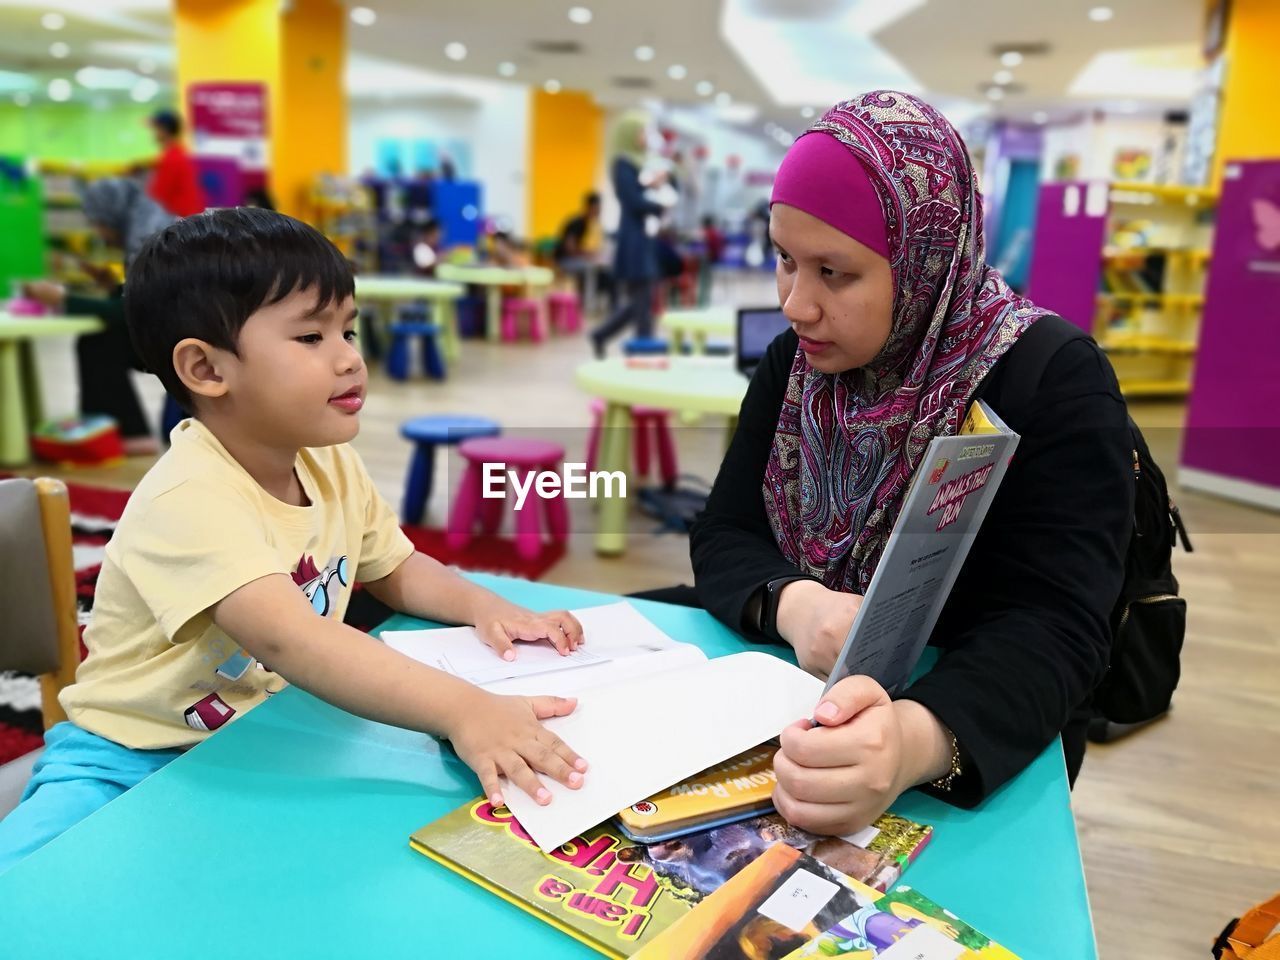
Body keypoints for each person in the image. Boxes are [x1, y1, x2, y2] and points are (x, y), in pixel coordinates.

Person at [0, 208, 590, 874]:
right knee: (29, 884)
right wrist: (465, 710)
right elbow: (294, 641)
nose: (349, 358)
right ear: (205, 368)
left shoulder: (326, 459)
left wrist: (484, 606)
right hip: (128, 758)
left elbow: (395, 567)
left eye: (349, 328)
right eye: (311, 336)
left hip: (270, 736)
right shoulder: (188, 496)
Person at [688, 91, 1132, 835]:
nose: (796, 304)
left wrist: (914, 741)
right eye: (784, 260)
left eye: (834, 272)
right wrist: (798, 604)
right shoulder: (794, 367)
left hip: (963, 740)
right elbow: (724, 531)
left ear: (925, 259)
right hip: (791, 713)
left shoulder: (1048, 378)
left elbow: (1058, 626)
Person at [22, 177, 177, 455]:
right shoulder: (147, 227)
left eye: (98, 222)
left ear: (111, 213)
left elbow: (139, 308)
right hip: (171, 326)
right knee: (101, 335)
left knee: (101, 338)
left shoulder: (151, 238)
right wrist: (112, 286)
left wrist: (64, 299)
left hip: (180, 334)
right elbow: (145, 299)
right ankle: (121, 430)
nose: (99, 232)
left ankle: (126, 433)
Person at [590, 111, 667, 358]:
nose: (645, 137)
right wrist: (656, 201)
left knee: (643, 301)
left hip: (642, 238)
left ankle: (613, 338)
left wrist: (653, 187)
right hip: (633, 239)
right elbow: (632, 200)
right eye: (642, 132)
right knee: (641, 300)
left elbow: (639, 192)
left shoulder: (638, 163)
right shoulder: (622, 163)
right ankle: (641, 350)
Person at [146, 108, 206, 217]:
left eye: (156, 129)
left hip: (181, 221)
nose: (154, 133)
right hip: (187, 219)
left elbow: (158, 195)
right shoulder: (179, 153)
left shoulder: (171, 158)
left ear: (164, 130)